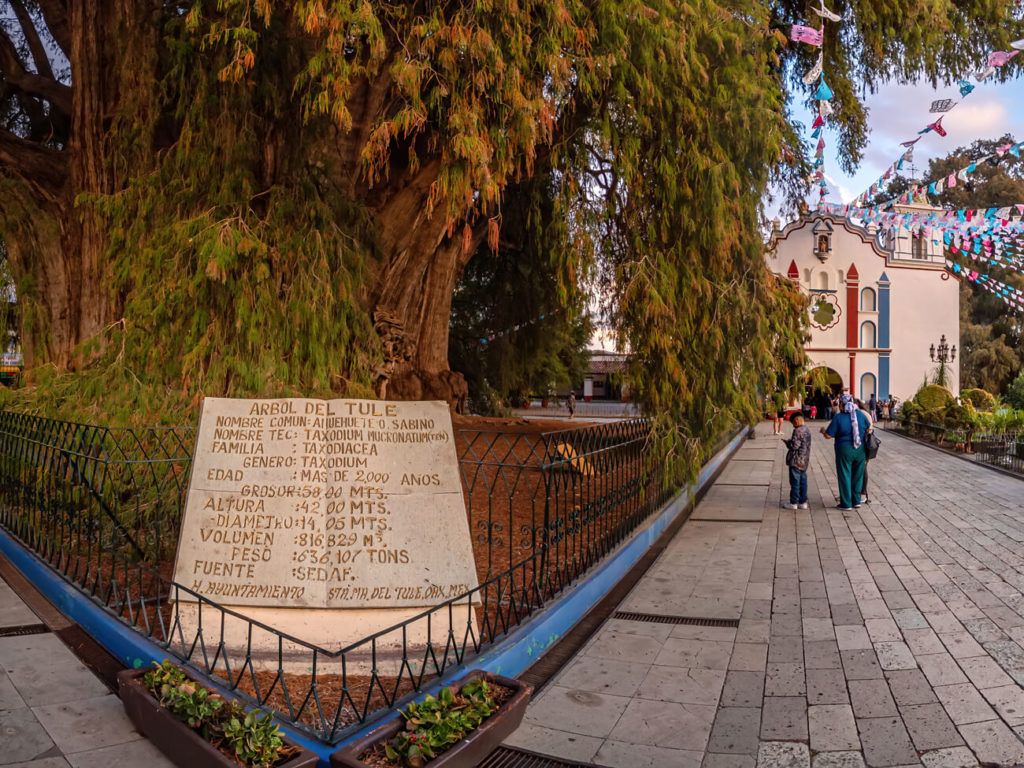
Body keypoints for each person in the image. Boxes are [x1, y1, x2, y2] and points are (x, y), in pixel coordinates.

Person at [820, 393, 871, 511]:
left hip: (844, 450)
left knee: (845, 475)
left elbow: (828, 435)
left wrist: (823, 431)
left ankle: (846, 503)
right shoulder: (861, 415)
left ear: (842, 404)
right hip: (860, 449)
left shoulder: (838, 417)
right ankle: (856, 500)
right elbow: (868, 429)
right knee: (858, 475)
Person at [782, 413, 811, 510]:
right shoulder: (807, 429)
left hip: (795, 461)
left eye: (793, 423)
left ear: (797, 421)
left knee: (795, 482)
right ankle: (803, 502)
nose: (793, 425)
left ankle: (793, 502)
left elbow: (794, 446)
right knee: (803, 482)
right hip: (804, 460)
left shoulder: (797, 430)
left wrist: (788, 442)